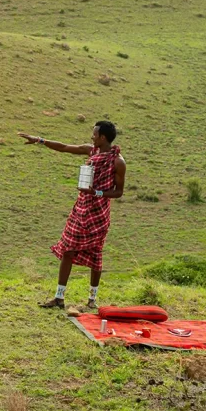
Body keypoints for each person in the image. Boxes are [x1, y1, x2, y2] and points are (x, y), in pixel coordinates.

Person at [18, 121, 126, 309]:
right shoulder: (91, 151)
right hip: (81, 210)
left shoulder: (118, 162)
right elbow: (64, 147)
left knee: (96, 255)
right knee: (68, 250)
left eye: (94, 134)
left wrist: (96, 192)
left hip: (99, 214)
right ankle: (59, 298)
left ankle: (92, 300)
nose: (92, 137)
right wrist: (40, 140)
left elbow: (118, 192)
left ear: (102, 137)